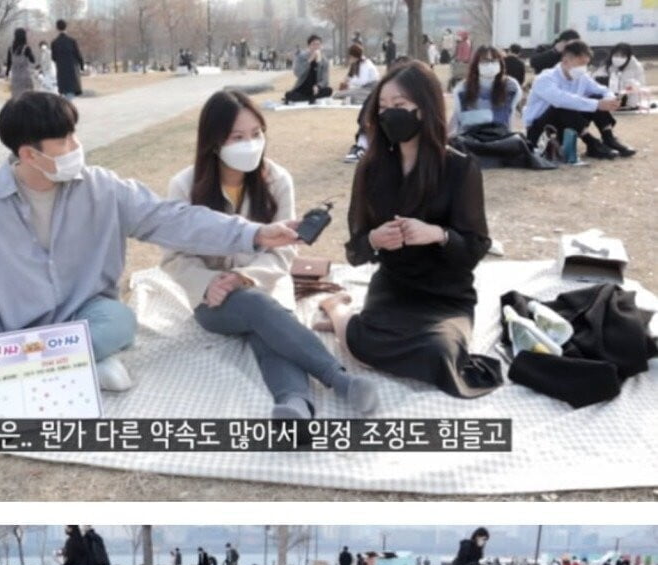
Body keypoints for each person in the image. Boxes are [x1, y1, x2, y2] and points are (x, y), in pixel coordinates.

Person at [0, 93, 298, 400]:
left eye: (74, 133)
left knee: (119, 322)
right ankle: (77, 365)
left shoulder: (103, 188)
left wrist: (253, 234)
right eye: (64, 140)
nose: (76, 145)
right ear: (28, 154)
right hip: (5, 323)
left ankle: (17, 370)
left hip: (83, 316)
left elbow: (171, 219)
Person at [163, 90, 369, 419]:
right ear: (214, 141)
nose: (250, 144)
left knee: (268, 327)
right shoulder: (184, 186)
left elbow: (285, 249)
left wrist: (245, 277)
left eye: (256, 133)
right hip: (213, 300)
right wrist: (210, 283)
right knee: (257, 307)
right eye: (238, 137)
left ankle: (295, 406)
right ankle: (338, 379)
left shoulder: (278, 180)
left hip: (268, 287)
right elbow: (174, 257)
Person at [323, 59, 502, 396]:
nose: (389, 114)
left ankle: (345, 319)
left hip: (446, 294)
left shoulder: (459, 167)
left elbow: (475, 246)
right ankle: (337, 310)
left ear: (425, 108)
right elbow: (356, 250)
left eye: (400, 105)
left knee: (440, 354)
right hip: (394, 287)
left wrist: (438, 235)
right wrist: (375, 239)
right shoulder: (370, 169)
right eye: (383, 107)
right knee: (364, 346)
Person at [522, 42, 632, 158]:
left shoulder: (582, 77)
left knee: (595, 97)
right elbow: (561, 100)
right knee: (565, 105)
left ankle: (608, 138)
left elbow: (602, 90)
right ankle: (592, 143)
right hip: (540, 130)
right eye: (580, 64)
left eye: (586, 64)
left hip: (565, 125)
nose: (583, 68)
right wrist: (597, 104)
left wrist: (610, 99)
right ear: (565, 61)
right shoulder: (545, 78)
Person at [451, 45, 537, 165]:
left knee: (517, 142)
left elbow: (505, 118)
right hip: (472, 137)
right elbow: (461, 120)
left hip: (500, 137)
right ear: (476, 64)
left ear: (500, 63)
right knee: (459, 144)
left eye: (494, 61)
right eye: (485, 61)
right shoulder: (462, 89)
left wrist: (480, 116)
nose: (490, 65)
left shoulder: (511, 87)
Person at [285, 34, 332, 104]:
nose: (316, 47)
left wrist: (318, 86)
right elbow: (297, 73)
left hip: (315, 88)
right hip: (303, 87)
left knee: (329, 90)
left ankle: (309, 98)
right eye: (314, 44)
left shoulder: (324, 61)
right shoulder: (301, 57)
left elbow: (325, 80)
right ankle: (311, 98)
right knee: (288, 95)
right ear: (309, 46)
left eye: (318, 44)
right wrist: (310, 60)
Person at [52, 17, 84, 91]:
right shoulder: (71, 41)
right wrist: (81, 66)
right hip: (71, 69)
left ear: (57, 28)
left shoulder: (54, 43)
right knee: (71, 91)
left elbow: (53, 58)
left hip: (61, 70)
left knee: (64, 91)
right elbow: (78, 55)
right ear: (66, 27)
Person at [6, 28, 37, 94]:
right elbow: (33, 60)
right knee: (28, 96)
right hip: (25, 76)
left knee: (16, 96)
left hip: (15, 77)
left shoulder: (10, 49)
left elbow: (9, 63)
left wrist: (7, 73)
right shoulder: (26, 48)